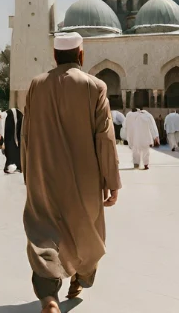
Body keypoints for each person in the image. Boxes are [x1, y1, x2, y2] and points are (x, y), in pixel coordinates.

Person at [21, 32, 121, 312]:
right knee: (86, 232)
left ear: (54, 56)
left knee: (44, 235)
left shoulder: (36, 85)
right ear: (81, 55)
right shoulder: (95, 86)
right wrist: (112, 181)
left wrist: (29, 176)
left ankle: (49, 298)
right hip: (85, 179)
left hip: (44, 176)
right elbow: (105, 138)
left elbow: (26, 135)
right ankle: (80, 280)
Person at [3, 107, 23, 173]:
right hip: (13, 139)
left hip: (13, 139)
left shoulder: (13, 115)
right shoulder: (13, 115)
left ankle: (14, 165)